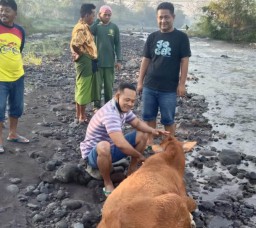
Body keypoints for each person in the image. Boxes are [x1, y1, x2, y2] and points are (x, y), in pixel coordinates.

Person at [80, 82, 169, 196]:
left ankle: (131, 171)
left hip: (110, 149)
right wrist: (140, 156)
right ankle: (108, 183)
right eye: (127, 100)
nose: (130, 104)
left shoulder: (123, 109)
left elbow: (136, 123)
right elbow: (121, 144)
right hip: (93, 155)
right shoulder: (110, 113)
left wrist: (153, 130)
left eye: (132, 101)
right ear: (117, 96)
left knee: (143, 134)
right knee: (104, 145)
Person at [137, 2, 191, 146]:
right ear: (157, 18)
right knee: (149, 117)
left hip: (169, 88)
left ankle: (169, 145)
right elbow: (146, 60)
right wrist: (140, 82)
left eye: (166, 17)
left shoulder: (181, 37)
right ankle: (150, 144)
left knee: (168, 119)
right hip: (150, 85)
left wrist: (182, 84)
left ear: (173, 17)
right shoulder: (152, 37)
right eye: (160, 17)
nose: (163, 21)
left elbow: (184, 61)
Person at [0, 0, 29, 154]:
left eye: (7, 10)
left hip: (18, 76)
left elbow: (19, 50)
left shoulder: (20, 31)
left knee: (17, 107)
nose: (3, 13)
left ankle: (12, 134)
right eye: (1, 10)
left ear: (15, 14)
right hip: (0, 78)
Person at [70, 3, 99, 124]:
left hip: (85, 60)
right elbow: (75, 44)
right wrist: (82, 54)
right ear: (86, 15)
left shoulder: (83, 26)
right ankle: (82, 116)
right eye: (93, 15)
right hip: (85, 60)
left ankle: (79, 114)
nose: (94, 17)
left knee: (81, 85)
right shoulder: (81, 27)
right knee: (84, 87)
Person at [90, 5, 122, 112]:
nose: (107, 17)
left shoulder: (114, 27)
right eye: (105, 15)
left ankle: (108, 105)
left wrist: (119, 60)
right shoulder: (97, 27)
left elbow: (117, 44)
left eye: (109, 15)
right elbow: (90, 30)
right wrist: (97, 20)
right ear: (100, 15)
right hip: (97, 62)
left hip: (110, 63)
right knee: (97, 86)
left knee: (109, 86)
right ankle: (96, 106)